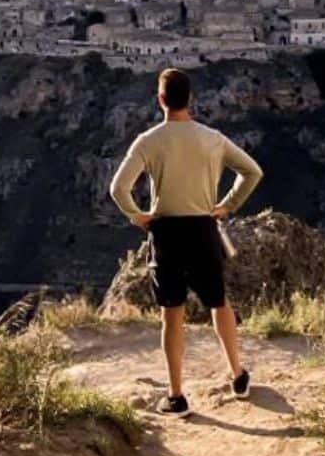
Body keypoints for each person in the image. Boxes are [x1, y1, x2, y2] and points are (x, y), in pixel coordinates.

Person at [109, 67, 265, 417]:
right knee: (218, 302)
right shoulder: (212, 138)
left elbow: (118, 189)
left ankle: (177, 396)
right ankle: (238, 375)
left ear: (160, 99)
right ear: (190, 98)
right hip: (203, 229)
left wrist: (138, 215)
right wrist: (227, 206)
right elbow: (252, 171)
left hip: (166, 233)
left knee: (172, 314)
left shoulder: (148, 141)